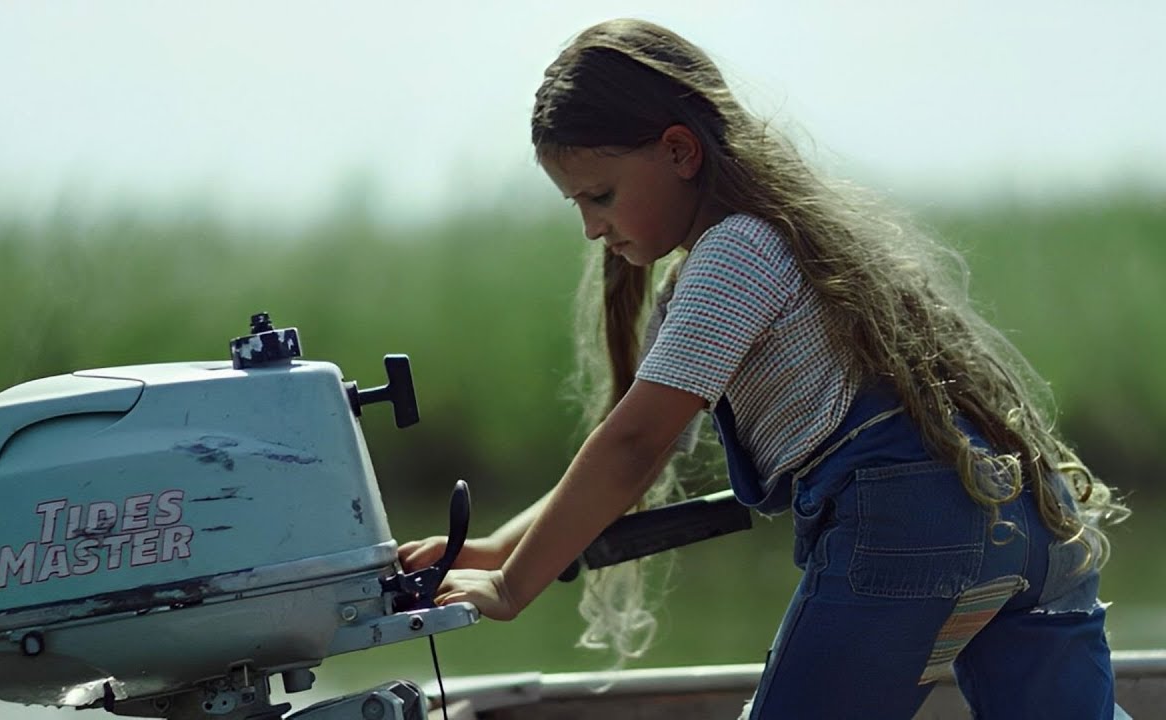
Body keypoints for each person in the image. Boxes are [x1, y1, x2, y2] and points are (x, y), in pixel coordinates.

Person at [398, 18, 1130, 719]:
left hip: (912, 527)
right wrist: (498, 550)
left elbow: (634, 446)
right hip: (1028, 517)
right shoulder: (784, 239)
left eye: (601, 195)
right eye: (577, 204)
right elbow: (642, 459)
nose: (591, 227)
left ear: (680, 152)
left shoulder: (735, 251)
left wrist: (512, 586)